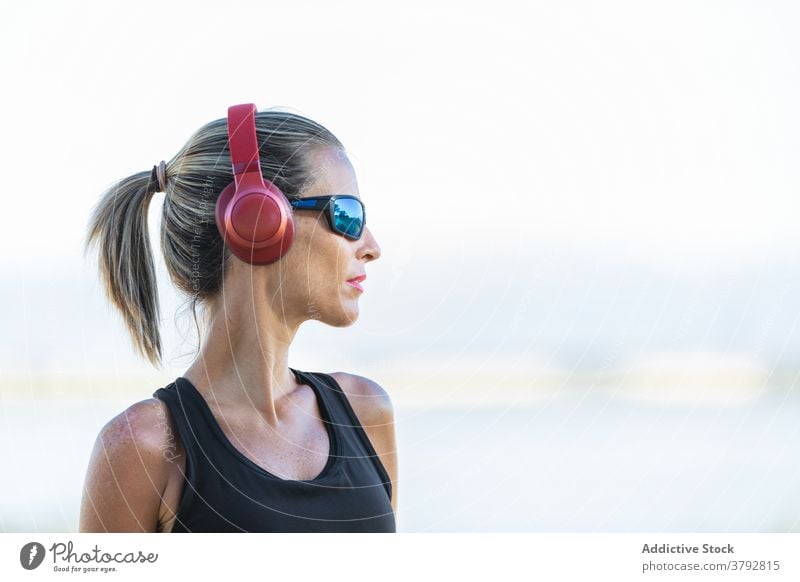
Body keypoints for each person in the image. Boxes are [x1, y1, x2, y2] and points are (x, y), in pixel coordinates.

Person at [78, 104, 397, 532]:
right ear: (258, 219)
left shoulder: (365, 411)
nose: (371, 246)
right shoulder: (145, 447)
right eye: (347, 214)